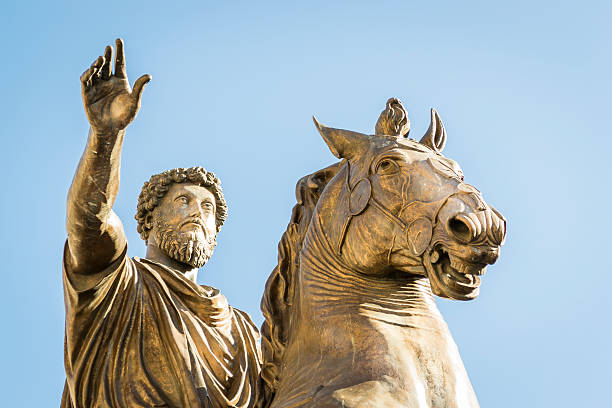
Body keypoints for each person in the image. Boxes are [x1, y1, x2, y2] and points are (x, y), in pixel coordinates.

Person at [61, 39, 261, 408]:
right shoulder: (115, 284)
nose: (198, 212)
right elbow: (89, 221)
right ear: (148, 221)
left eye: (207, 207)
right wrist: (106, 136)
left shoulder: (245, 333)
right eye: (183, 201)